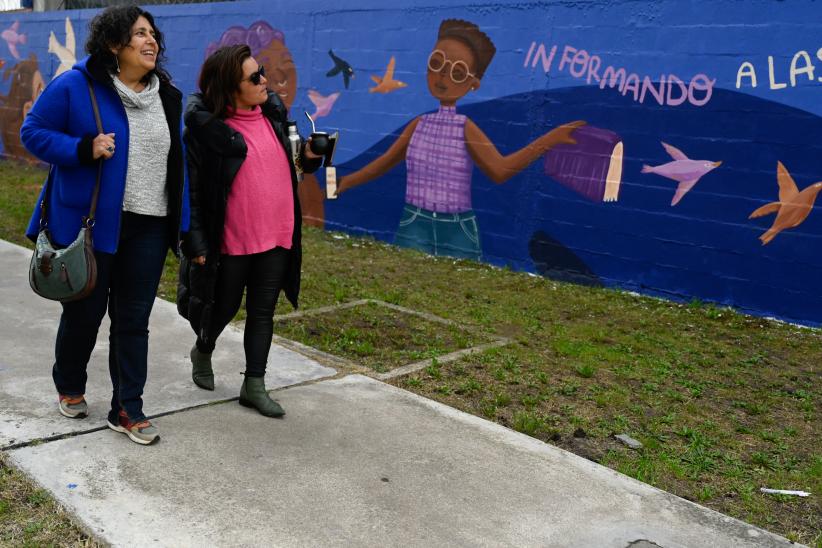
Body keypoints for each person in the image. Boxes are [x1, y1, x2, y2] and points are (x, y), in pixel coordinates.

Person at [21, 6, 187, 445]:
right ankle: (70, 383)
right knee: (84, 315)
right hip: (92, 225)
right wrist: (82, 147)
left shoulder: (167, 95)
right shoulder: (77, 86)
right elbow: (32, 131)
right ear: (115, 44)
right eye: (139, 35)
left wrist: (182, 222)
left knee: (133, 320)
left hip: (150, 224)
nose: (151, 42)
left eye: (153, 34)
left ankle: (128, 408)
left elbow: (177, 165)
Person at [336, 19, 584, 260]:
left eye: (457, 72)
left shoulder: (465, 128)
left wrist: (550, 139)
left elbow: (499, 170)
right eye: (436, 63)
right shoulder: (419, 125)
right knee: (410, 283)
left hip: (457, 230)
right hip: (414, 222)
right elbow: (387, 160)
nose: (442, 76)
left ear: (473, 83)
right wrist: (348, 181)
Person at [178, 44, 321, 417]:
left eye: (262, 72)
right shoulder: (208, 131)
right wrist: (195, 240)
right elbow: (191, 189)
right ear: (231, 87)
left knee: (262, 312)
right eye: (254, 76)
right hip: (232, 241)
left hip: (278, 234)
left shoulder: (274, 115)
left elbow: (296, 167)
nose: (265, 81)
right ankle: (203, 348)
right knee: (219, 309)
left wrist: (309, 157)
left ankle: (253, 384)